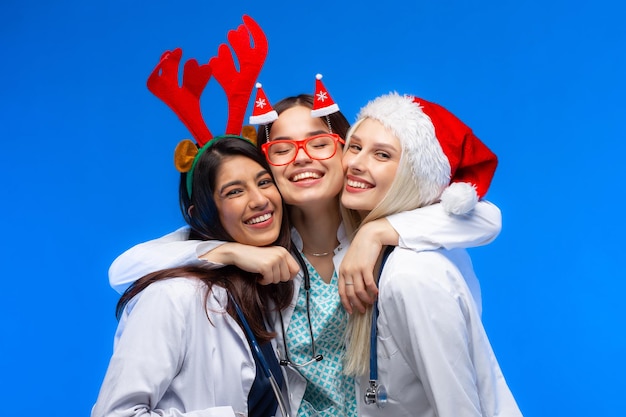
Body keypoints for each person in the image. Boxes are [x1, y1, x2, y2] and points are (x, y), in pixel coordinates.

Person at [109, 82, 504, 416]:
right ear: (267, 166)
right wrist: (230, 253)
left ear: (346, 151)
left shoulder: (396, 241)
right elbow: (124, 268)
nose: (302, 158)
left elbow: (484, 218)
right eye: (281, 149)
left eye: (320, 143)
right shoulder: (260, 245)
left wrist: (376, 232)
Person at [340, 92, 523, 416]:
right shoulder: (393, 246)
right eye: (355, 147)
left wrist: (375, 230)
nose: (355, 162)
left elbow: (458, 408)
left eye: (382, 155)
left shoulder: (414, 276)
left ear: (415, 176)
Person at [93, 136, 302, 417]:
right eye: (234, 192)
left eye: (264, 182)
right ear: (202, 214)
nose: (260, 200)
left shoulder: (254, 292)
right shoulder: (172, 297)